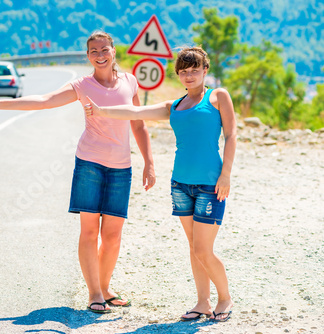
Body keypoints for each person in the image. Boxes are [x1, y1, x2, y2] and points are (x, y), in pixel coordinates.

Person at [0, 31, 156, 313]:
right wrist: (2, 104)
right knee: (89, 231)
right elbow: (44, 100)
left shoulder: (130, 82)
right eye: (93, 52)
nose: (100, 55)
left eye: (104, 50)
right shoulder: (82, 85)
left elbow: (138, 124)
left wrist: (149, 161)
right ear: (88, 56)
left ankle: (106, 286)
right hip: (90, 164)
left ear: (114, 51)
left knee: (113, 235)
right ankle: (95, 293)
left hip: (122, 167)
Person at [83, 46, 236, 322]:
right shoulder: (174, 107)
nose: (189, 76)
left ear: (205, 71)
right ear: (179, 74)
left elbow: (232, 135)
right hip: (180, 185)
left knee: (203, 248)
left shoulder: (218, 97)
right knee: (193, 248)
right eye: (184, 72)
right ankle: (203, 302)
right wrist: (101, 111)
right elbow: (134, 110)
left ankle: (224, 298)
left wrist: (226, 175)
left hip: (211, 186)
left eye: (195, 70)